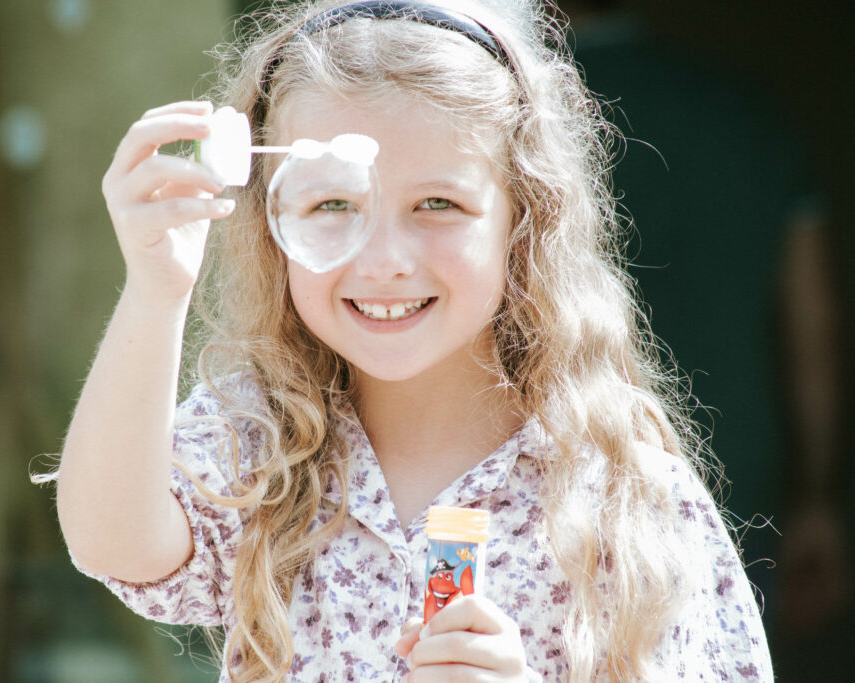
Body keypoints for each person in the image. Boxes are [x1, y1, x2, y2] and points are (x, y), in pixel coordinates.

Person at [45, 1, 772, 680]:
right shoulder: (257, 435)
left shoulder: (619, 492)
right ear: (272, 227)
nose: (384, 257)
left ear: (524, 222)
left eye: (437, 203)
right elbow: (113, 543)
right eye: (332, 202)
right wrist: (155, 288)